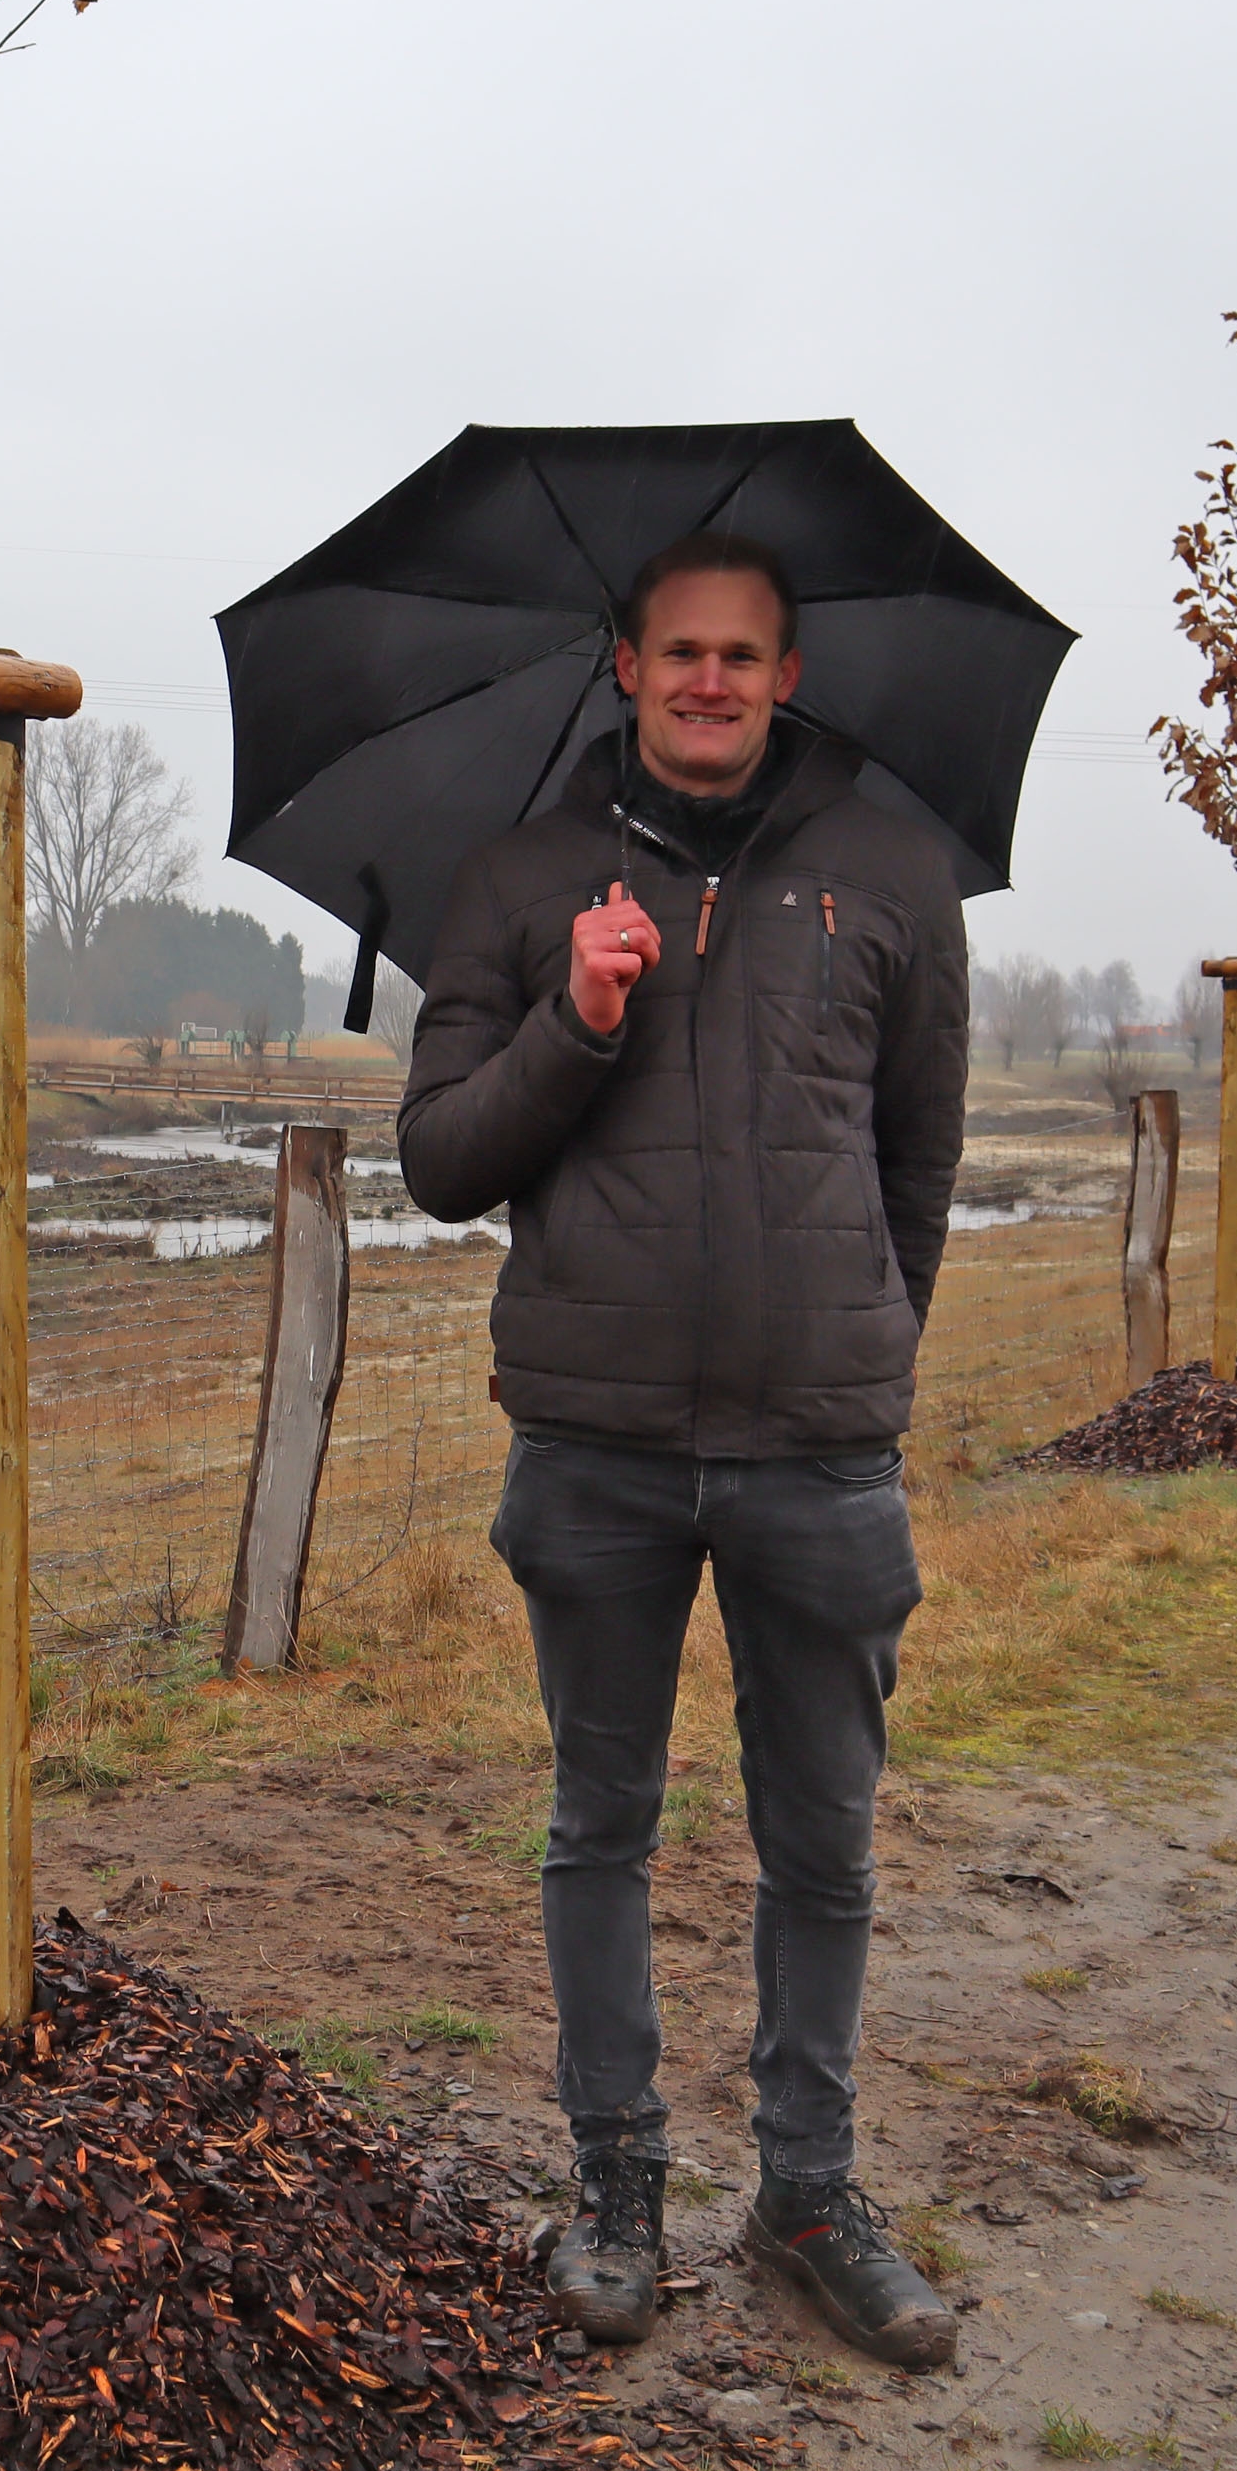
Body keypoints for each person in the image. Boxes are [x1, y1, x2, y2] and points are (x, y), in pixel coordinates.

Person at [395, 531, 970, 2369]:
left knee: (825, 1839)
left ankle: (807, 2192)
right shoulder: (521, 881)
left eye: (742, 654)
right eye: (679, 651)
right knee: (601, 1823)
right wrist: (576, 1019)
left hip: (821, 1452)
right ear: (626, 668)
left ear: (786, 677)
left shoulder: (894, 874)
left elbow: (919, 1161)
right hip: (598, 1443)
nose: (710, 679)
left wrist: (866, 1347)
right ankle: (617, 2182)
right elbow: (439, 1160)